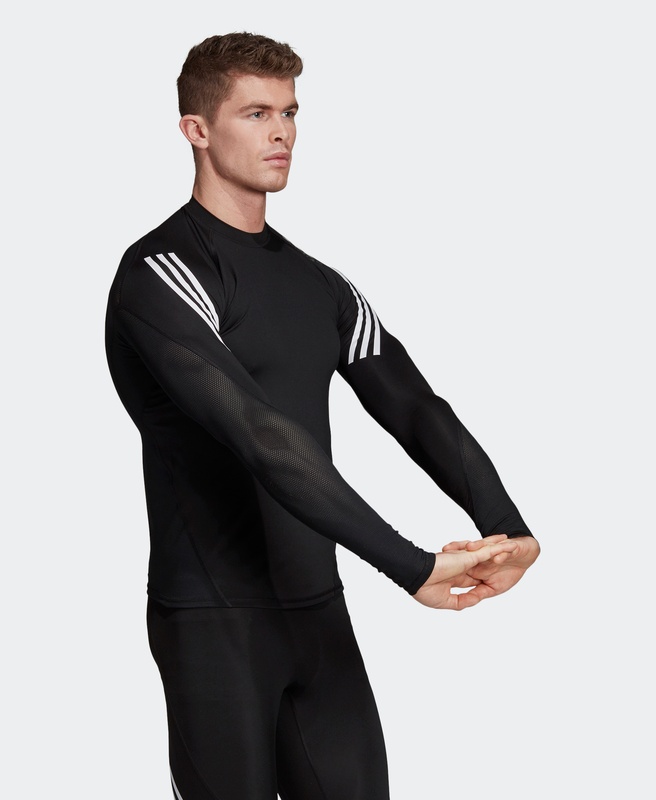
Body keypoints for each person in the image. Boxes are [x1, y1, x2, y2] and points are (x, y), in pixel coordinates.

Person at [105, 31, 539, 800]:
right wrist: (409, 564)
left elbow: (414, 406)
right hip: (212, 622)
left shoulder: (320, 285)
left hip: (317, 613)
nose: (281, 133)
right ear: (196, 129)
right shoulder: (160, 274)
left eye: (290, 112)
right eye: (256, 113)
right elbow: (260, 436)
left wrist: (506, 527)